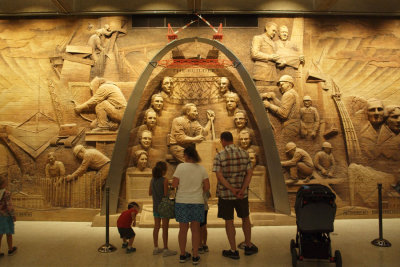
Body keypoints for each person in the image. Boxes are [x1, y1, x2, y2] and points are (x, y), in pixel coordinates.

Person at [212, 131, 258, 259]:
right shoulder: (244, 153)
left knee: (229, 221)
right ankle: (248, 245)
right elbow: (249, 173)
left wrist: (231, 189)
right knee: (245, 218)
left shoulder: (219, 155)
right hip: (241, 194)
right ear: (232, 140)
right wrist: (241, 189)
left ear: (222, 140)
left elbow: (219, 176)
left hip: (226, 195)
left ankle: (233, 250)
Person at [172, 146, 210, 265]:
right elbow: (207, 187)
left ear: (186, 155)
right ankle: (195, 256)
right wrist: (198, 192)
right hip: (197, 202)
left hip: (182, 201)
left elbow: (174, 183)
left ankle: (183, 255)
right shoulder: (201, 169)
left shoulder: (180, 167)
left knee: (183, 230)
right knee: (195, 230)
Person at [149, 161, 177, 257]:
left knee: (156, 226)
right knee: (165, 228)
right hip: (164, 207)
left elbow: (150, 192)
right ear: (163, 171)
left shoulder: (152, 180)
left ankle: (156, 247)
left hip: (155, 206)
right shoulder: (164, 180)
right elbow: (166, 194)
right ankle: (165, 248)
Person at [263, 75, 300, 139]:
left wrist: (269, 105)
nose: (280, 87)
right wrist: (274, 98)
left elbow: (283, 114)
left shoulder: (288, 94)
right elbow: (284, 106)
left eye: (281, 85)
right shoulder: (293, 93)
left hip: (290, 127)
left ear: (288, 84)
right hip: (293, 125)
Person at [0, 175, 17, 256]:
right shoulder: (6, 193)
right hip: (6, 216)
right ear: (3, 184)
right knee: (9, 233)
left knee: (0, 234)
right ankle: (10, 249)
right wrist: (13, 215)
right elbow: (9, 206)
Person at [198, 190, 211, 254]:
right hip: (204, 205)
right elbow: (208, 195)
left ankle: (199, 245)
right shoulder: (205, 181)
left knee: (198, 226)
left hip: (197, 205)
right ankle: (204, 244)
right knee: (203, 225)